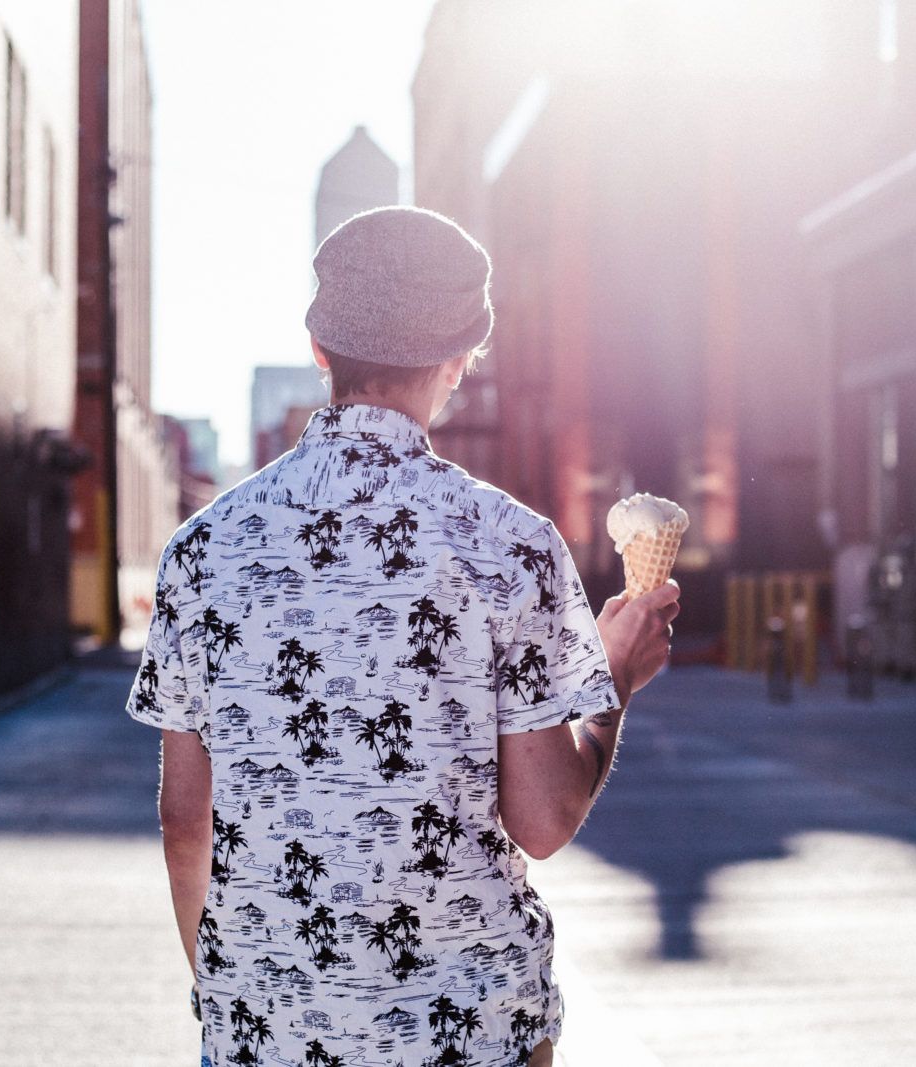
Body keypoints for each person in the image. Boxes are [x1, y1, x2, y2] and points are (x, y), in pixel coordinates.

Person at [127, 206, 678, 1067]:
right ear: (458, 361)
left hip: (265, 1032)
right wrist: (613, 677)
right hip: (468, 1028)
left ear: (320, 352)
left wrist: (235, 998)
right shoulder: (511, 544)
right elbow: (542, 818)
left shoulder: (204, 550)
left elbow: (183, 819)